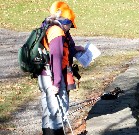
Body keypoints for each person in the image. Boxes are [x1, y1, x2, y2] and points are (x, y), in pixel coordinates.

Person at [37, 1, 84, 134]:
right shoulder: (57, 32)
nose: (70, 28)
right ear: (66, 21)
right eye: (70, 25)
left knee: (48, 113)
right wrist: (57, 83)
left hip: (44, 75)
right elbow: (56, 58)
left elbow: (62, 49)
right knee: (58, 114)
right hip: (54, 77)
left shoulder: (48, 26)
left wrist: (77, 49)